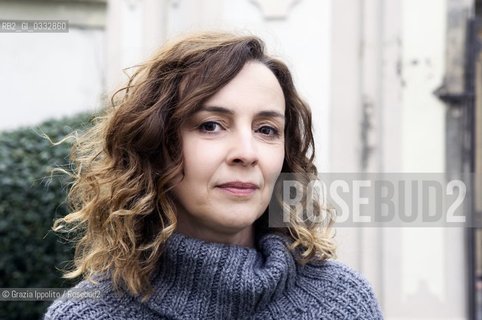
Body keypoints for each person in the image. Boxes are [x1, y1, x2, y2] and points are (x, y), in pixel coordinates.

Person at [44, 31, 383, 319]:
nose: (247, 153)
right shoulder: (88, 314)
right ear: (154, 144)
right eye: (211, 126)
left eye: (267, 130)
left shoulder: (342, 303)